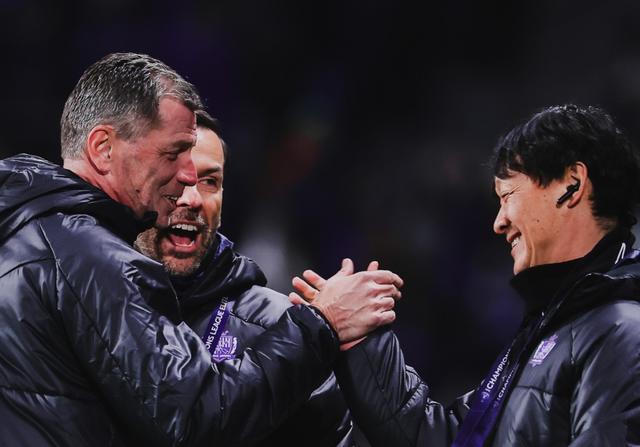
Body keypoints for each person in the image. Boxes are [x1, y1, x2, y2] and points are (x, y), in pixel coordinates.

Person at [0, 52, 403, 446]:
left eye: (210, 180)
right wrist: (322, 324)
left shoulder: (22, 231)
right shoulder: (89, 256)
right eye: (173, 154)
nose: (187, 180)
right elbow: (192, 415)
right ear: (103, 148)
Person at [292, 104, 640, 446]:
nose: (499, 222)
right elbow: (452, 439)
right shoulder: (554, 330)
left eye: (508, 195)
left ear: (572, 184)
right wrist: (361, 337)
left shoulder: (623, 331)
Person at [136, 109, 355, 446]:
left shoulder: (280, 325)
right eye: (172, 178)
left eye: (209, 181)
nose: (192, 198)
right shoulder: (81, 300)